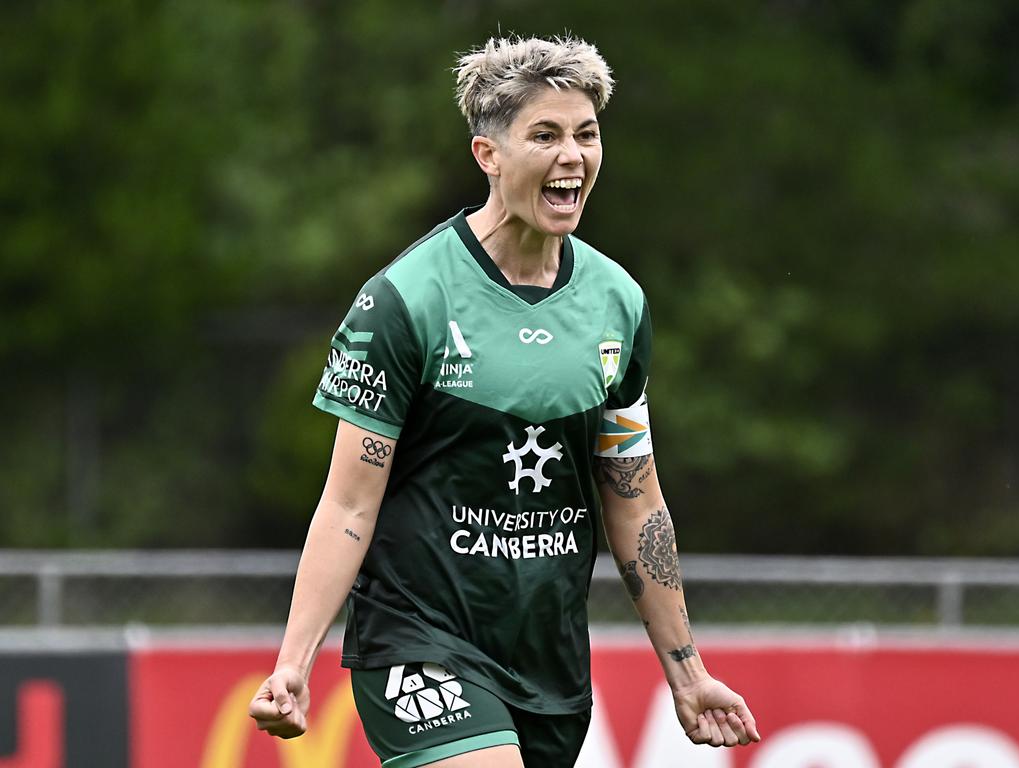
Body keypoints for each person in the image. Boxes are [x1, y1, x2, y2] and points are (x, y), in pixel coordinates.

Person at [248, 35, 760, 767]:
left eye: (586, 134)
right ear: (488, 155)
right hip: (420, 640)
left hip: (548, 658)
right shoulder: (404, 300)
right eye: (545, 136)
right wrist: (295, 661)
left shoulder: (616, 302)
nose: (573, 156)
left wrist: (687, 672)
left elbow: (636, 499)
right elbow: (349, 505)